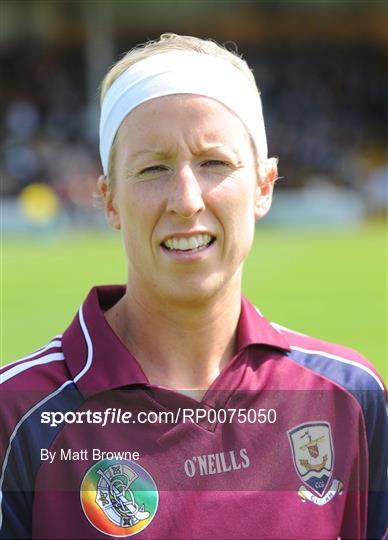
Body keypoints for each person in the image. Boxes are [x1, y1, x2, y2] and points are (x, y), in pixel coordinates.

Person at [1, 33, 387, 540]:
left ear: (264, 186)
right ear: (109, 199)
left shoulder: (350, 396)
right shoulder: (18, 414)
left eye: (214, 164)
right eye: (153, 168)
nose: (186, 200)